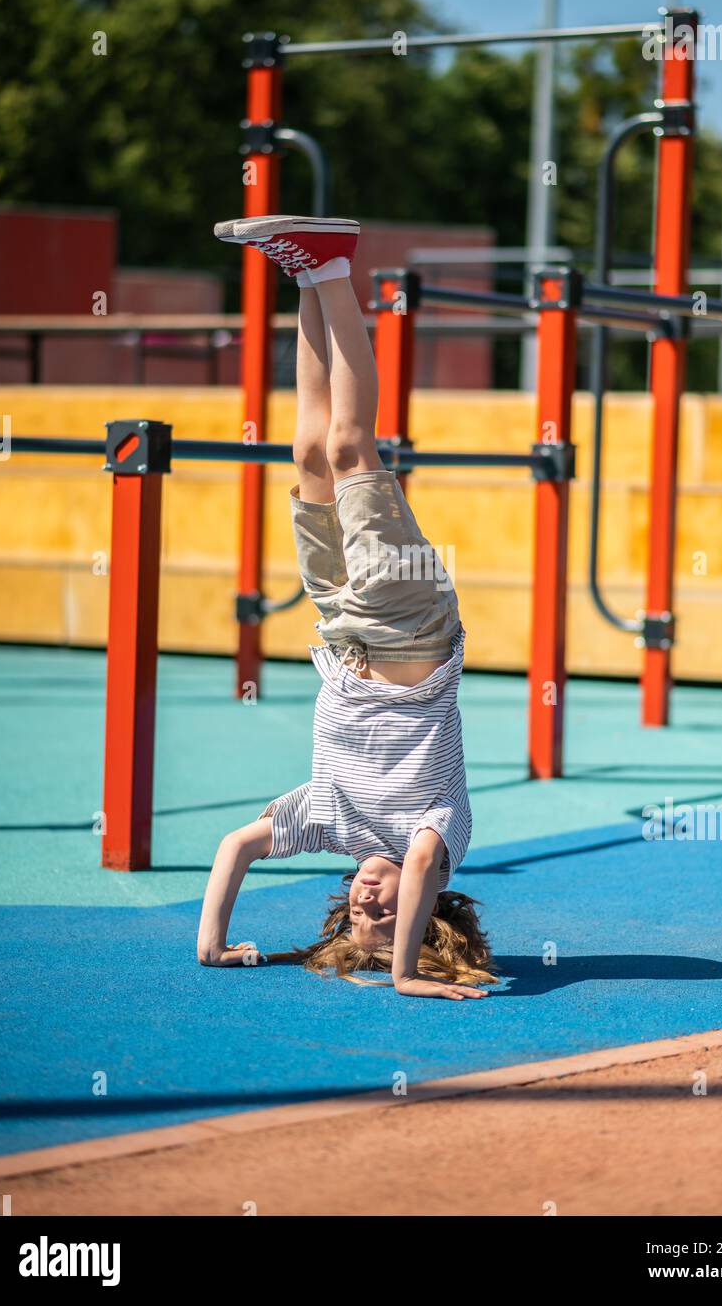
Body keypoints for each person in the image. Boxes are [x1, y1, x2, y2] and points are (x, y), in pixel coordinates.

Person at [197, 215, 497, 999]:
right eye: (384, 912)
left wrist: (212, 948)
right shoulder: (440, 836)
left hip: (340, 623)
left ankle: (304, 274)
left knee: (304, 455)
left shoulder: (325, 821)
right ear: (424, 913)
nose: (367, 897)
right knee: (351, 450)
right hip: (412, 622)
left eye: (354, 914)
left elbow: (235, 846)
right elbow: (424, 868)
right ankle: (334, 268)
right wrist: (402, 973)